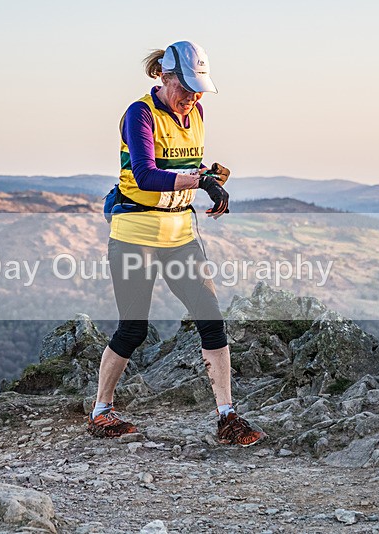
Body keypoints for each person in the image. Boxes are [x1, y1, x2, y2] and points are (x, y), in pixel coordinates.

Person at [88, 41, 265, 447]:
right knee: (133, 329)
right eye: (185, 88)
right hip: (135, 236)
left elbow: (185, 166)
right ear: (164, 78)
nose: (192, 97)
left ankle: (227, 416)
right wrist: (200, 182)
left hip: (181, 236)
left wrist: (208, 178)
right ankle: (101, 410)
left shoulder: (197, 112)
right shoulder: (140, 113)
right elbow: (147, 176)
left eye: (198, 90)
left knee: (212, 320)